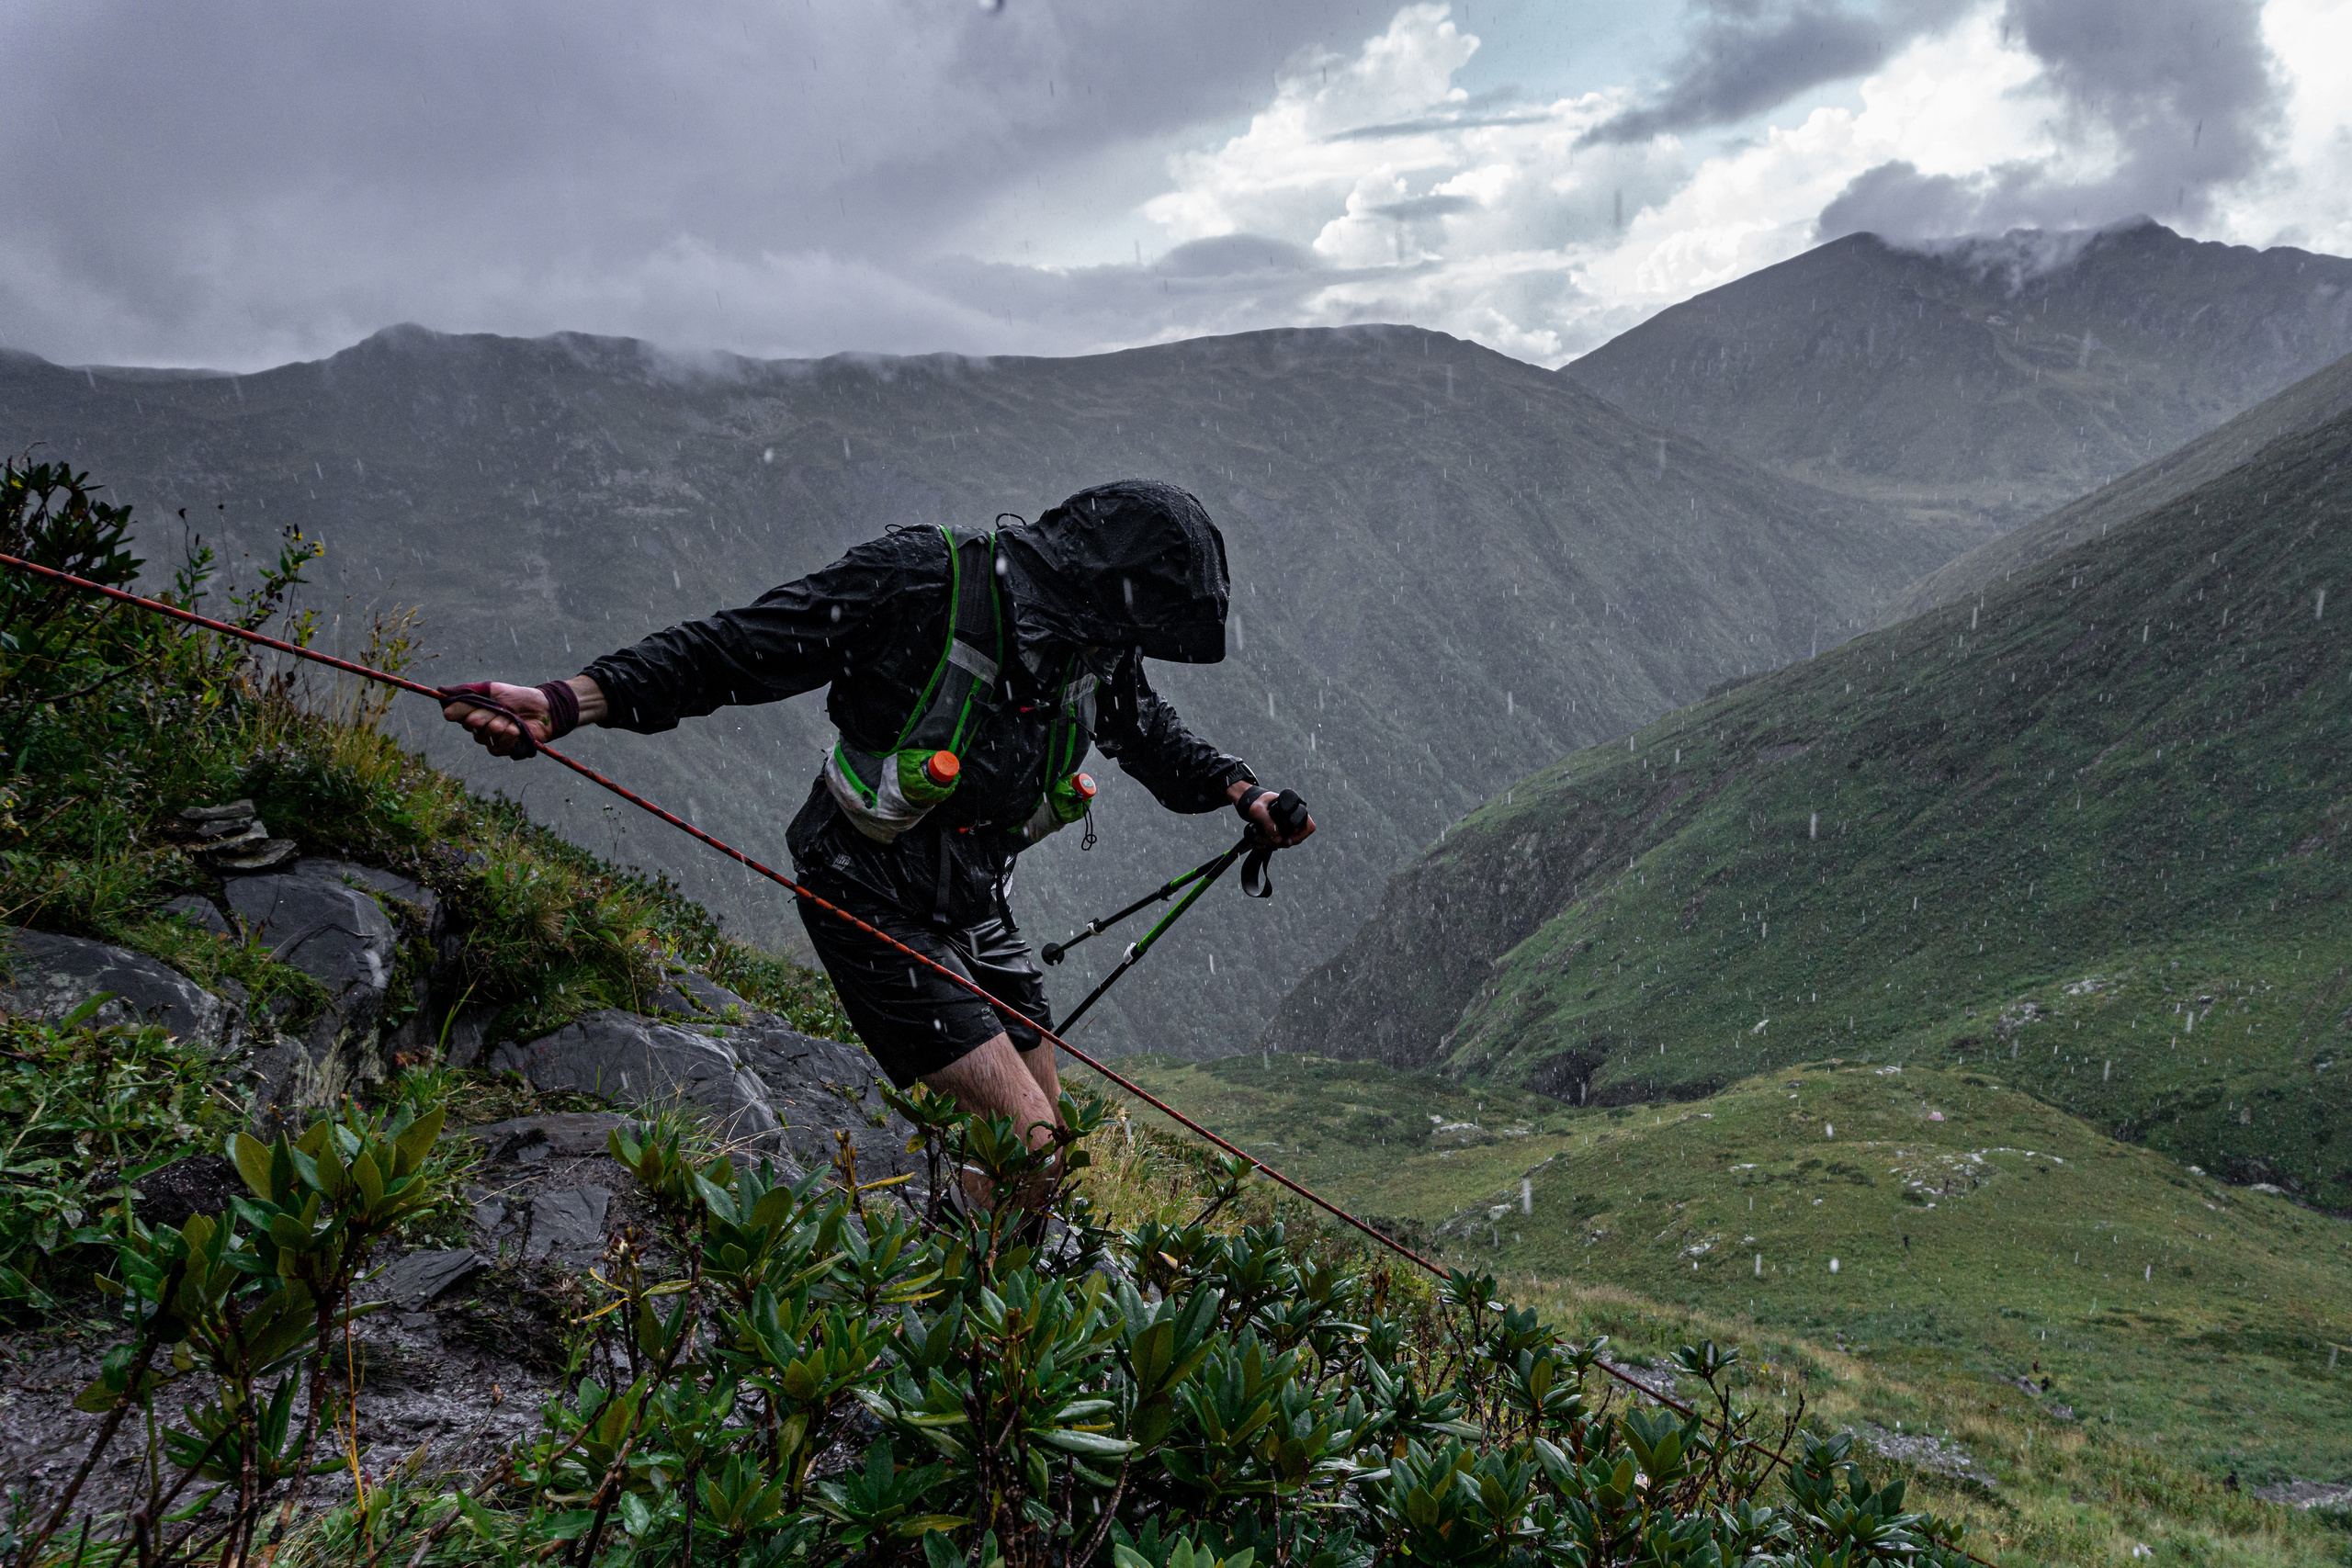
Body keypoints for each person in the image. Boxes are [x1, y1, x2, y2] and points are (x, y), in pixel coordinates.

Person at [442, 479, 1314, 1183]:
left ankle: (982, 1328)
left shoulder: (1094, 646)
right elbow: (741, 646)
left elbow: (1146, 731)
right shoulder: (924, 583)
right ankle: (967, 1350)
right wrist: (569, 701)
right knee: (1030, 1140)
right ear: (1096, 589)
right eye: (1130, 633)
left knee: (1048, 1136)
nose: (1130, 653)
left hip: (975, 902)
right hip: (866, 886)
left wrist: (1243, 794)